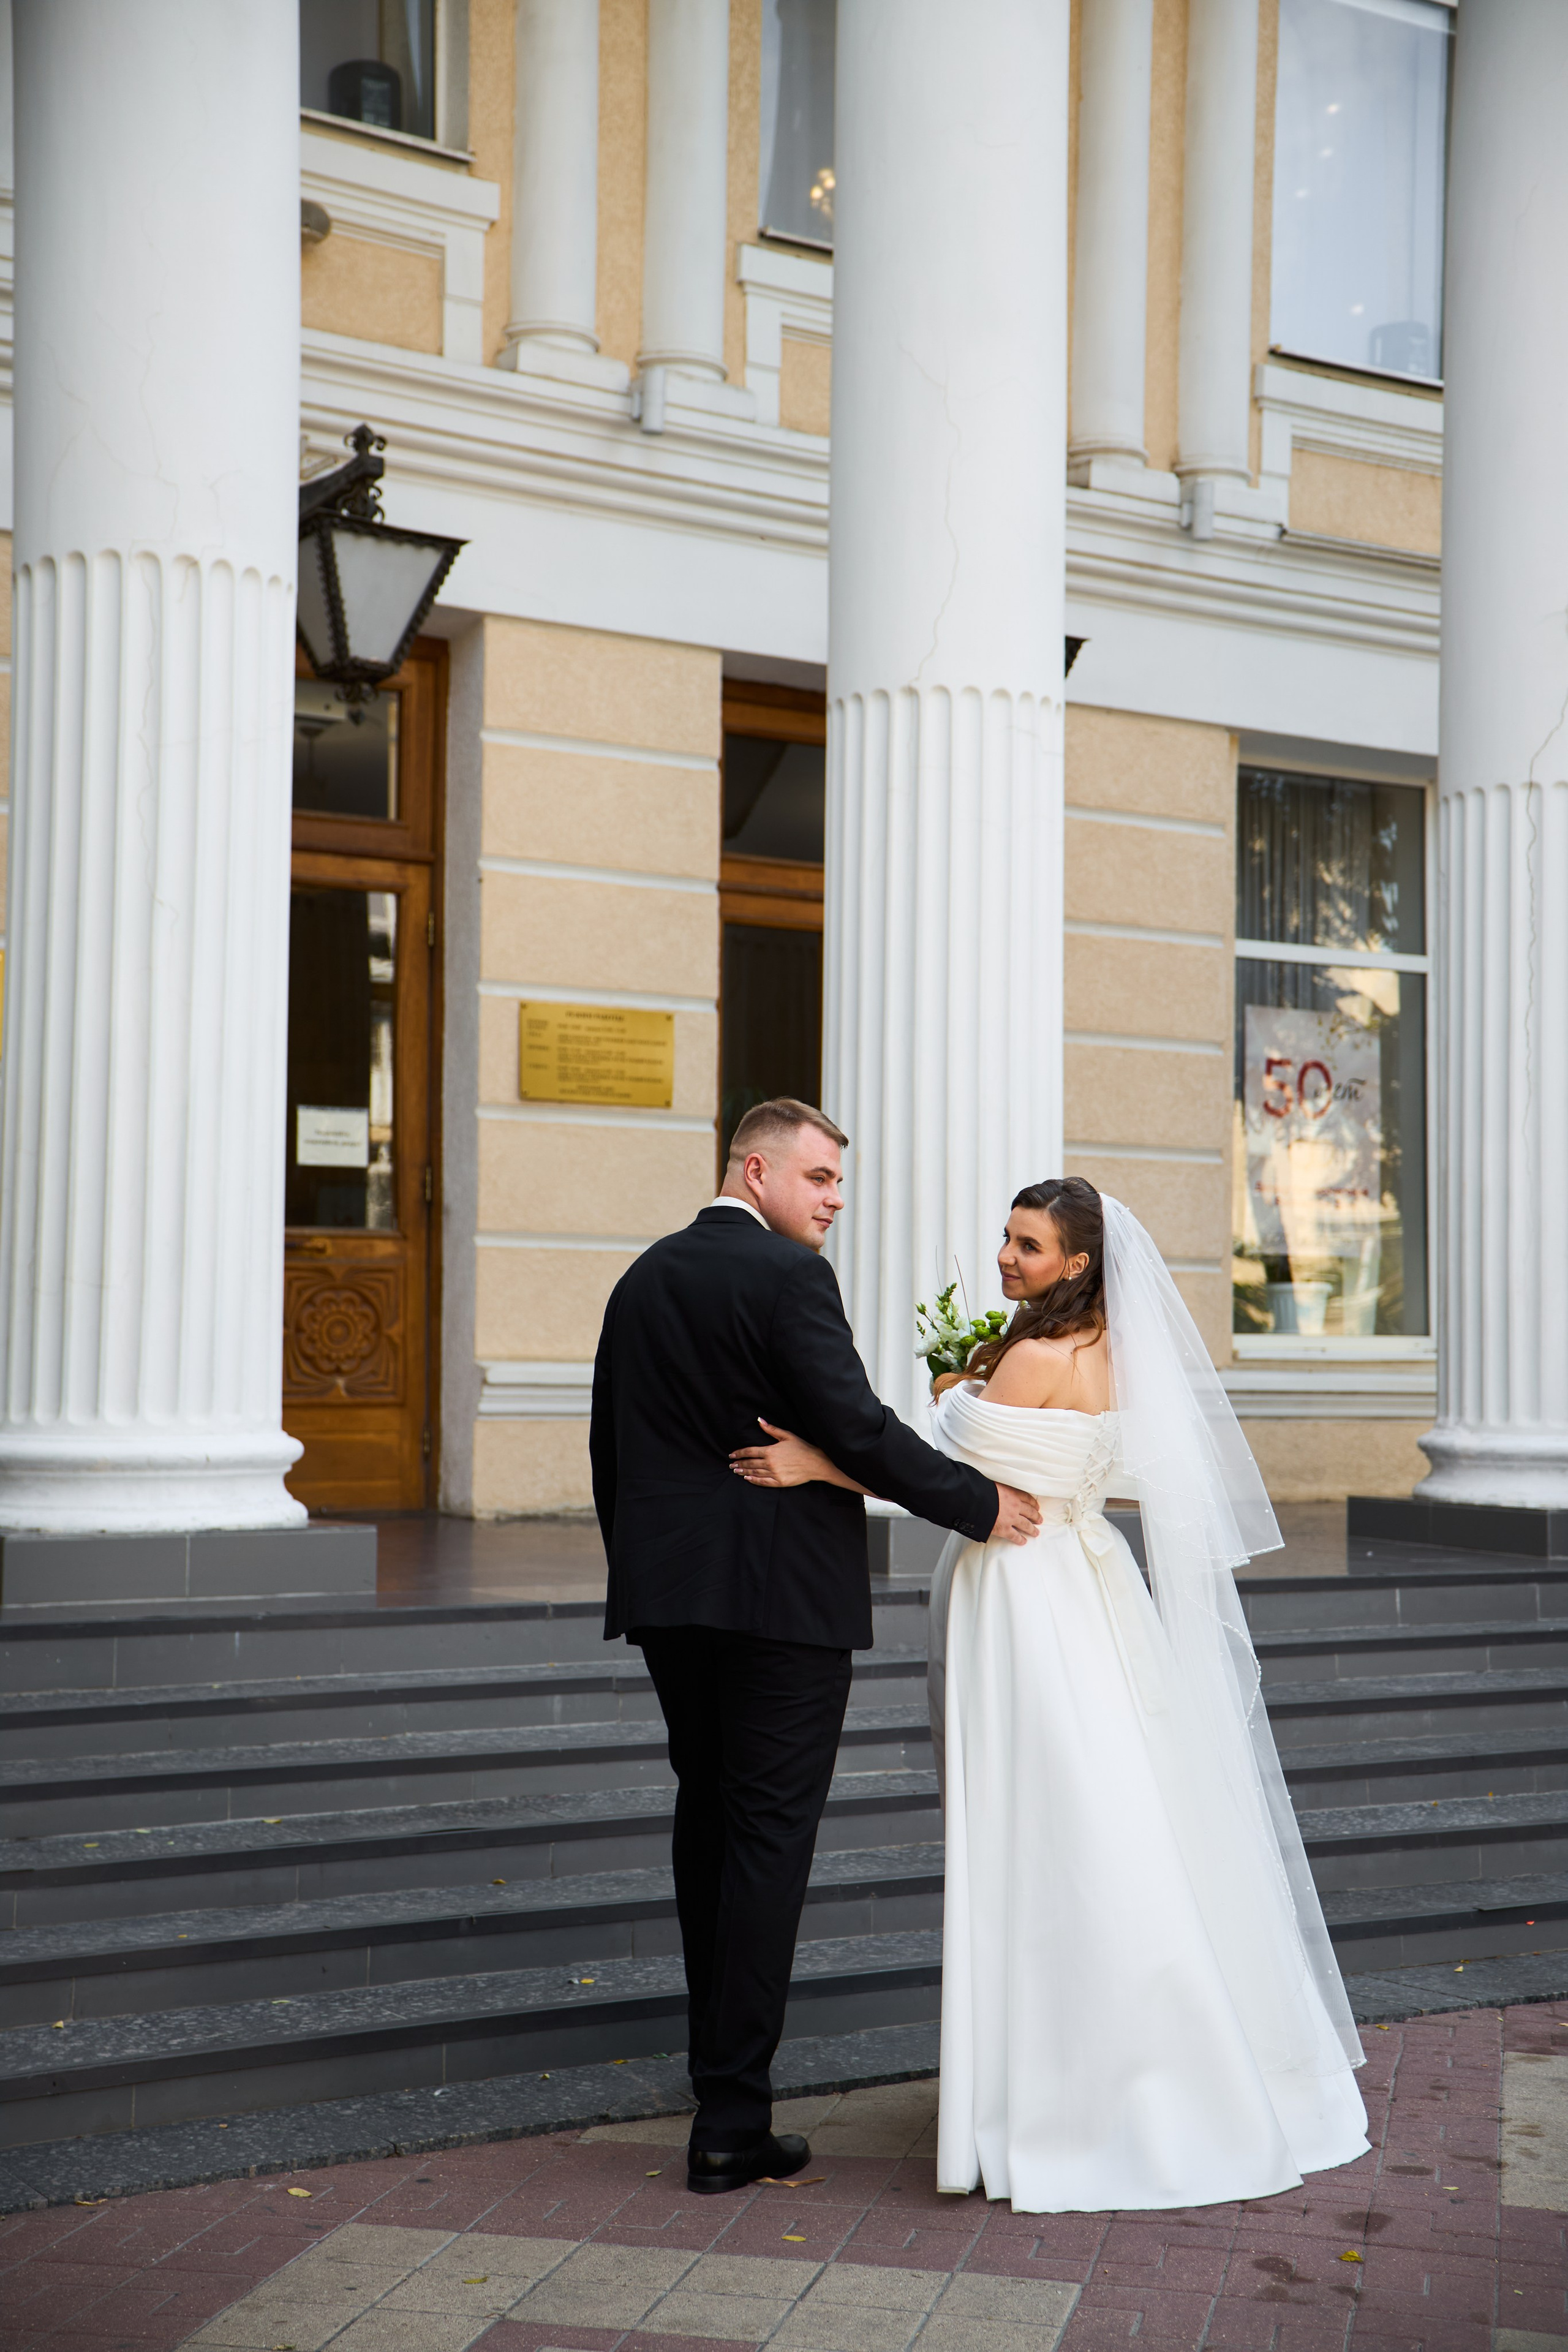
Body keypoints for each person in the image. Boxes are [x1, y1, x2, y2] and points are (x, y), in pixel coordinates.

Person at [731, 1174, 1370, 2214]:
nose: (1006, 1258)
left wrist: (817, 1461)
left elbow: (937, 1473)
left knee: (1041, 1828)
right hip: (1087, 1576)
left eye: (1028, 1247)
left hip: (1021, 1602)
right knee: (1115, 1809)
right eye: (1006, 1238)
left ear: (1076, 1263)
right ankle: (1130, 2066)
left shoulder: (1030, 1358)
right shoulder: (1119, 1351)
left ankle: (1065, 2096)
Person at [590, 1098, 1042, 2196]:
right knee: (767, 1846)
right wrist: (978, 1504)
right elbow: (858, 1428)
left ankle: (723, 2097)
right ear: (754, 1171)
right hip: (779, 1607)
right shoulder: (788, 1279)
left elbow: (612, 1441)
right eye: (820, 1179)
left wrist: (650, 1572)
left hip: (672, 1605)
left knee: (710, 1828)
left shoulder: (644, 1275)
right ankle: (732, 2123)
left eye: (839, 1182)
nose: (836, 1201)